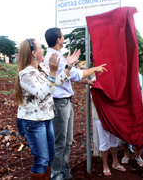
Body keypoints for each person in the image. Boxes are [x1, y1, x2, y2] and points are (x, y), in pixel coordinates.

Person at [44, 27, 107, 180]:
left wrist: (85, 81)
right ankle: (57, 175)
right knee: (61, 142)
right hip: (60, 103)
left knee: (66, 141)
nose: (64, 38)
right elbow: (75, 73)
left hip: (64, 103)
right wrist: (95, 69)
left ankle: (64, 172)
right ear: (58, 39)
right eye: (62, 36)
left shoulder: (56, 55)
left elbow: (66, 77)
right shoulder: (55, 57)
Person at [14, 38, 80, 179]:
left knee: (50, 157)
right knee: (41, 160)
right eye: (40, 48)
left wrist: (68, 65)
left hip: (46, 118)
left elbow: (59, 82)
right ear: (33, 53)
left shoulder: (42, 68)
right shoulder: (25, 74)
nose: (43, 50)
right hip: (33, 122)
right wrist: (54, 72)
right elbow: (42, 93)